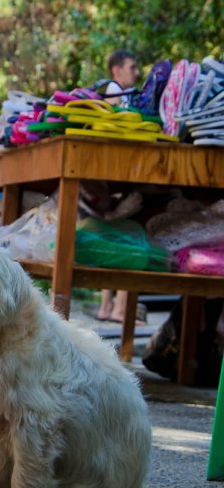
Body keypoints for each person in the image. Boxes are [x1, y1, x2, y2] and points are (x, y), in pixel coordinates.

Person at [98, 50, 143, 323]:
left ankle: (107, 306)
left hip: (109, 185)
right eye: (132, 66)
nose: (136, 72)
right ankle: (120, 309)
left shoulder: (110, 91)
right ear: (117, 69)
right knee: (132, 241)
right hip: (119, 177)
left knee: (114, 240)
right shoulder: (116, 93)